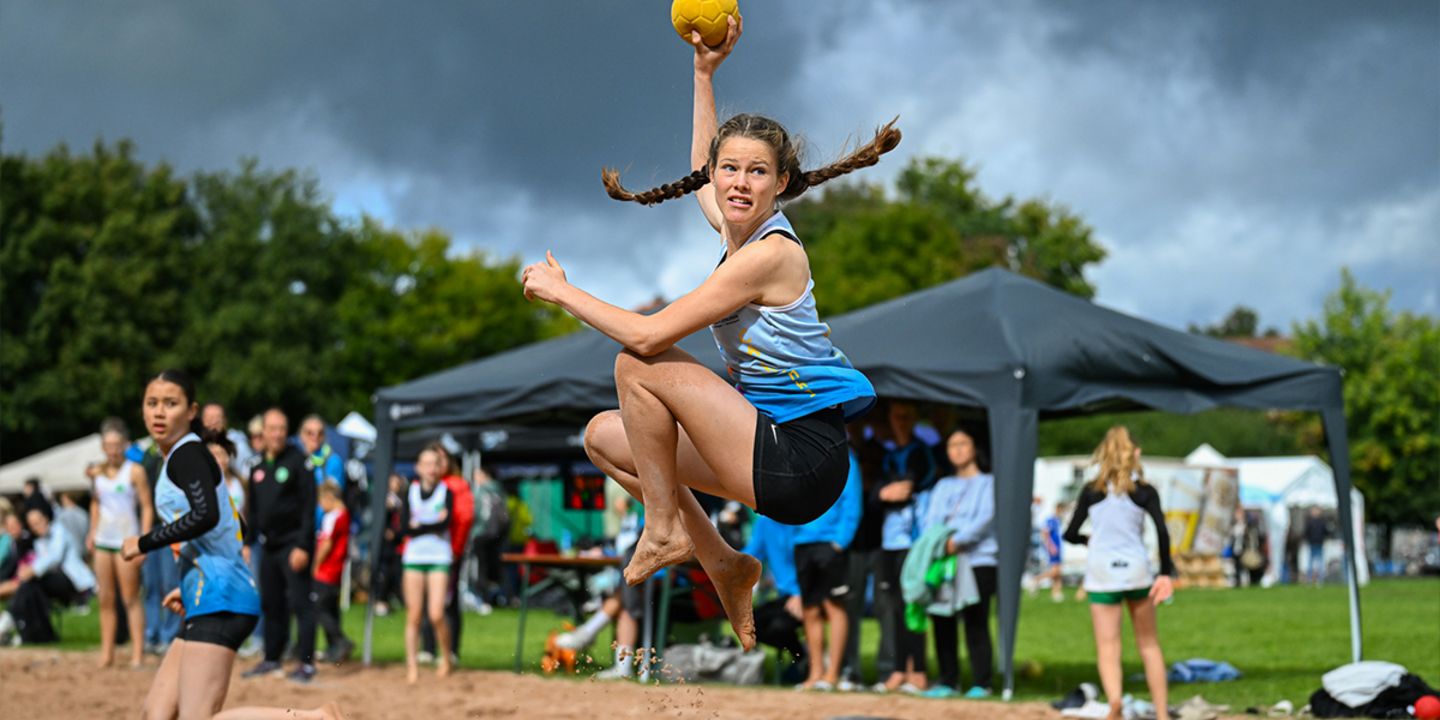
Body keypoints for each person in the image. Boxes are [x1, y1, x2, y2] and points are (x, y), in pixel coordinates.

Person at [524, 15, 894, 651]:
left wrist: (563, 292)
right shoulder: (736, 232)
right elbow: (701, 165)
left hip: (803, 458)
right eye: (730, 170)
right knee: (605, 438)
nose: (737, 181)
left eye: (756, 172)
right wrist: (703, 72)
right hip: (767, 450)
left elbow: (647, 336)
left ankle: (666, 528)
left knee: (637, 364)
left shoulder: (769, 255)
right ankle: (722, 561)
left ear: (781, 184)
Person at [117, 369, 345, 720]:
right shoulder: (177, 457)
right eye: (152, 403)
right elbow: (232, 522)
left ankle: (311, 718)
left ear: (191, 411)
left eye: (170, 403)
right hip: (207, 590)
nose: (159, 412)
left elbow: (206, 515)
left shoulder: (185, 455)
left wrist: (144, 542)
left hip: (221, 595)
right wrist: (193, 576)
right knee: (156, 713)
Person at [1063, 426, 1175, 720]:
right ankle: (1162, 713)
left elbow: (1070, 533)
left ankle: (1115, 702)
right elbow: (1162, 532)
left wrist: (1091, 540)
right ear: (1134, 453)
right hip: (1136, 568)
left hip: (1102, 571)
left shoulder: (1091, 491)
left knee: (1108, 647)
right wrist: (1166, 572)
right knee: (1149, 645)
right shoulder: (1145, 491)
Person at [241, 408, 319, 683]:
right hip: (267, 546)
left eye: (281, 429)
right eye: (271, 428)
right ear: (262, 431)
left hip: (293, 545)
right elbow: (253, 509)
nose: (276, 434)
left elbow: (310, 509)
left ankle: (307, 664)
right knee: (271, 604)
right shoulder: (257, 465)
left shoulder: (300, 462)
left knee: (301, 603)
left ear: (287, 432)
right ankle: (272, 659)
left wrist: (303, 546)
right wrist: (248, 541)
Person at [920, 428, 998, 699]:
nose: (958, 450)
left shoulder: (989, 483)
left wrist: (959, 540)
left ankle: (981, 681)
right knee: (942, 619)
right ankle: (948, 680)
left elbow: (987, 517)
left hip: (978, 559)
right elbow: (931, 521)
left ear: (975, 447)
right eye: (952, 445)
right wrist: (941, 543)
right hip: (944, 560)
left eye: (963, 443)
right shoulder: (943, 486)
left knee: (976, 620)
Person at [872, 401, 935, 694]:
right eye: (896, 416)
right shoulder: (886, 456)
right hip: (889, 541)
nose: (901, 421)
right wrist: (884, 493)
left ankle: (918, 670)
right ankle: (899, 669)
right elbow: (877, 495)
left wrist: (897, 492)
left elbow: (917, 486)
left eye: (906, 416)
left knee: (914, 605)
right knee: (893, 606)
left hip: (914, 540)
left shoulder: (922, 452)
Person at [791, 444, 862, 691]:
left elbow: (852, 501)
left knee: (833, 606)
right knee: (810, 609)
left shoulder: (846, 456)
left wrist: (840, 542)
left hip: (831, 544)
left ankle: (833, 674)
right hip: (802, 542)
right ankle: (815, 673)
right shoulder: (801, 452)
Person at [88, 425, 155, 668]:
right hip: (103, 539)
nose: (113, 451)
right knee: (105, 598)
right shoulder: (97, 473)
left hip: (126, 539)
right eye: (109, 446)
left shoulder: (134, 471)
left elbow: (147, 506)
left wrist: (144, 539)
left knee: (130, 598)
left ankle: (138, 653)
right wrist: (92, 530)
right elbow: (95, 504)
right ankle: (107, 653)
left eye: (117, 446)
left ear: (125, 446)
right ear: (103, 448)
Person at [0, 500, 96, 645]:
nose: (36, 527)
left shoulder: (59, 530)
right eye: (32, 525)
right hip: (48, 582)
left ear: (46, 518)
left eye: (38, 522)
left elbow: (54, 557)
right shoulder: (39, 542)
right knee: (29, 588)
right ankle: (34, 632)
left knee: (30, 583)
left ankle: (12, 622)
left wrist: (32, 570)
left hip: (72, 581)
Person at [402, 447, 454, 683]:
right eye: (427, 464)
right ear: (418, 467)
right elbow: (404, 527)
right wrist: (431, 524)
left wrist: (419, 526)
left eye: (435, 464)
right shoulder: (409, 491)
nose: (431, 469)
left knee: (435, 614)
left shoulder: (446, 492)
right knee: (413, 614)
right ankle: (412, 666)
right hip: (414, 558)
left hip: (438, 557)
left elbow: (446, 525)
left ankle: (445, 657)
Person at [419, 441, 472, 665]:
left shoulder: (455, 486)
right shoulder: (424, 486)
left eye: (439, 459)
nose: (435, 464)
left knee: (446, 604)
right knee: (424, 602)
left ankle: (450, 651)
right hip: (423, 554)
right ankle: (428, 649)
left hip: (447, 553)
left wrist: (455, 550)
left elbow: (464, 518)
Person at [313, 481, 354, 663]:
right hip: (336, 570)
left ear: (329, 497)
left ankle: (340, 640)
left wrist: (315, 563)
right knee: (331, 608)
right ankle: (334, 648)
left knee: (319, 608)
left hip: (327, 570)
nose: (320, 505)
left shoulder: (333, 516)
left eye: (321, 501)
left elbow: (326, 544)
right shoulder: (345, 515)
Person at [468, 466, 508, 614]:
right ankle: (500, 597)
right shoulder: (499, 490)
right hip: (497, 535)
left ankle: (484, 600)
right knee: (495, 568)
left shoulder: (481, 491)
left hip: (481, 534)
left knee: (482, 568)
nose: (475, 478)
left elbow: (476, 513)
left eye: (477, 474)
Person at [298, 415, 345, 528]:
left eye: (320, 433)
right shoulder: (295, 460)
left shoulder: (333, 461)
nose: (315, 437)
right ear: (301, 435)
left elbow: (332, 499)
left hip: (322, 529)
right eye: (310, 433)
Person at [202, 403, 255, 480]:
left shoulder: (237, 446)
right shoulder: (194, 446)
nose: (214, 422)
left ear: (225, 421)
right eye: (210, 418)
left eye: (218, 418)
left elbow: (247, 477)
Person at [1036, 502, 1068, 602]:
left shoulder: (1058, 521)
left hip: (1058, 548)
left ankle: (1056, 593)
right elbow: (1044, 533)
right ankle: (1035, 580)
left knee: (1058, 572)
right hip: (1053, 549)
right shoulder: (1051, 520)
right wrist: (1051, 546)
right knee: (1055, 571)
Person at [1304, 506, 1328, 585]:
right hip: (1316, 543)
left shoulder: (1311, 522)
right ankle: (1315, 579)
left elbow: (1306, 533)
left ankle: (1313, 579)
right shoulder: (1320, 522)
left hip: (1316, 543)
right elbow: (1326, 532)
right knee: (1316, 562)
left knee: (1315, 562)